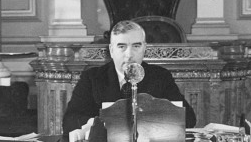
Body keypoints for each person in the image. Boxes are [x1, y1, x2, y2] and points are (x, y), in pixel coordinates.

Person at [62, 20, 196, 135]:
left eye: (136, 46)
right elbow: (70, 121)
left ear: (144, 48)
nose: (129, 55)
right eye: (122, 46)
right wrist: (97, 123)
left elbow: (189, 119)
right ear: (111, 50)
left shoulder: (160, 76)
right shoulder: (92, 78)